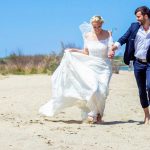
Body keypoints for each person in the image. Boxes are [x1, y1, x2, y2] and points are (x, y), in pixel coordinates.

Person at [39, 15, 113, 124]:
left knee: (103, 91)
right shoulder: (87, 35)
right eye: (94, 27)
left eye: (98, 27)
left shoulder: (108, 34)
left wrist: (112, 52)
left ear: (102, 25)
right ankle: (93, 112)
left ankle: (98, 114)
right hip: (91, 65)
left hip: (104, 66)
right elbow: (86, 52)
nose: (96, 29)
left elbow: (111, 48)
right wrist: (73, 50)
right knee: (94, 88)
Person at [108, 6, 150, 124]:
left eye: (139, 16)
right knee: (141, 90)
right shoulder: (134, 27)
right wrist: (114, 48)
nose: (137, 19)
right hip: (138, 63)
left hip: (149, 64)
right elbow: (123, 39)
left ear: (146, 16)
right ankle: (147, 116)